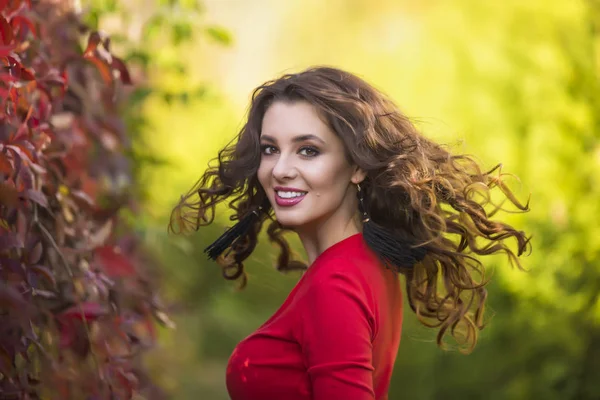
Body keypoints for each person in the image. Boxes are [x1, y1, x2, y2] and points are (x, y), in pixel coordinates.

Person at [169, 66, 530, 400]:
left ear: (357, 165)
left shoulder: (335, 282)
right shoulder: (366, 264)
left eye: (308, 151)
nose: (280, 169)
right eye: (270, 149)